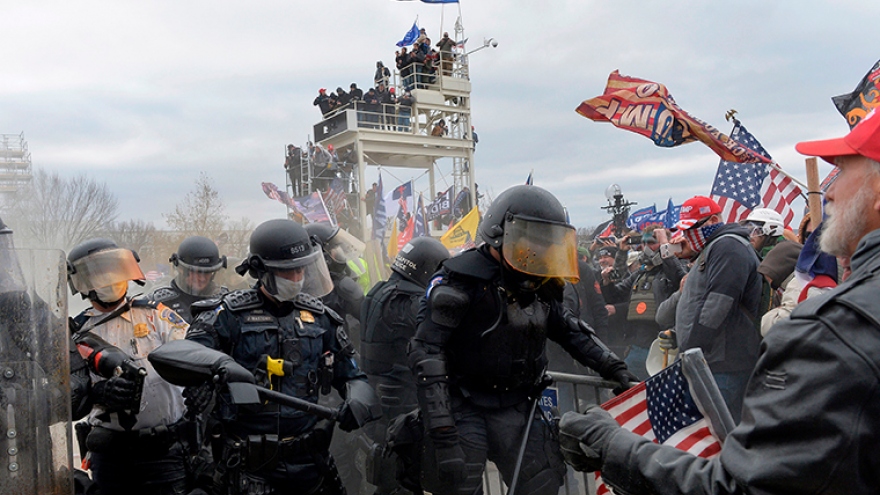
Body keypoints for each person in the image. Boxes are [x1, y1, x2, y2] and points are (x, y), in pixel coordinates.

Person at [557, 103, 880, 495]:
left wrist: (615, 446)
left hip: (722, 366)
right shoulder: (714, 253)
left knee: (716, 444)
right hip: (707, 361)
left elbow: (745, 485)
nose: (828, 191)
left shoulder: (835, 330)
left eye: (842, 170)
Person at [407, 185, 636, 495]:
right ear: (499, 234)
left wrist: (614, 367)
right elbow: (426, 353)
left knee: (542, 485)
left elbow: (570, 330)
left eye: (545, 241)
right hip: (464, 404)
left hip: (517, 404)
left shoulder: (539, 285)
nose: (538, 250)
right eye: (530, 240)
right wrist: (443, 432)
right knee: (458, 484)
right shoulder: (460, 281)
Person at [184, 219, 380, 495]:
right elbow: (186, 358)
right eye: (288, 270)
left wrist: (357, 401)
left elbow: (354, 374)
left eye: (302, 268)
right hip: (249, 466)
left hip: (310, 463)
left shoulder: (320, 317)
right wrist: (212, 372)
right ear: (261, 270)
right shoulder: (227, 315)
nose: (298, 277)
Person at [67, 238, 190, 495]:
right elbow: (67, 396)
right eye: (101, 275)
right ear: (83, 283)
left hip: (164, 452)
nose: (111, 280)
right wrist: (97, 394)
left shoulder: (156, 314)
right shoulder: (77, 334)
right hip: (111, 457)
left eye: (114, 270)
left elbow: (191, 354)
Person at [360, 237, 450, 495]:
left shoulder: (378, 291)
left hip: (377, 400)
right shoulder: (410, 302)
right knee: (403, 480)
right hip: (403, 406)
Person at [667, 196, 761, 422]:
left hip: (722, 363)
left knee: (714, 432)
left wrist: (692, 348)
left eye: (693, 228)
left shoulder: (728, 246)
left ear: (714, 221)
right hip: (711, 360)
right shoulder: (715, 248)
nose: (688, 234)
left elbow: (718, 303)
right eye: (685, 229)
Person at [599, 228, 686, 380]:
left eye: (651, 242)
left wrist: (665, 244)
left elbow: (679, 276)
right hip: (635, 346)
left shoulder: (671, 271)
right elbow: (616, 295)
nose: (646, 247)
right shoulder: (641, 274)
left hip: (661, 346)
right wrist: (607, 281)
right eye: (644, 243)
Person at [148, 236, 227, 323]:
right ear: (181, 269)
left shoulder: (225, 301)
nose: (202, 278)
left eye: (207, 272)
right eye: (197, 272)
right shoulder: (160, 303)